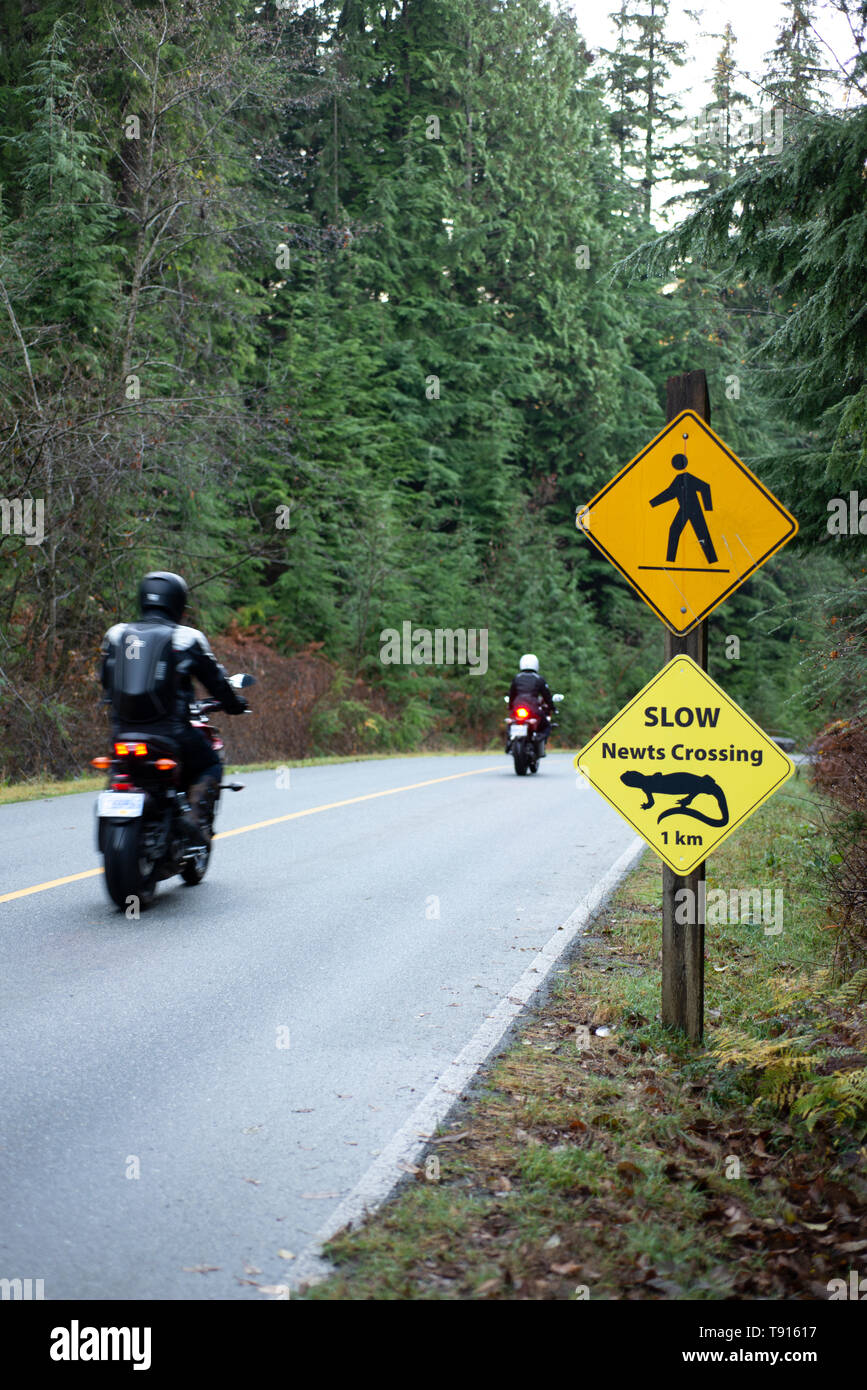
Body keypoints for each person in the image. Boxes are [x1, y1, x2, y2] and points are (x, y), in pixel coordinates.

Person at [99, 571, 248, 849]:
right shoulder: (186, 638)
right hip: (172, 734)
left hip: (122, 734)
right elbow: (215, 682)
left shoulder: (117, 634)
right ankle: (193, 817)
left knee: (119, 772)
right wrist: (234, 704)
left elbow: (105, 679)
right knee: (210, 764)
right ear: (178, 604)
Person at [508, 653, 554, 751]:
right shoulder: (539, 679)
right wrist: (552, 708)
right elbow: (547, 696)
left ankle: (509, 741)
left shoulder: (516, 678)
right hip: (533, 708)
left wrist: (510, 707)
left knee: (511, 721)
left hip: (517, 706)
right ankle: (539, 738)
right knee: (547, 725)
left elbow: (511, 694)